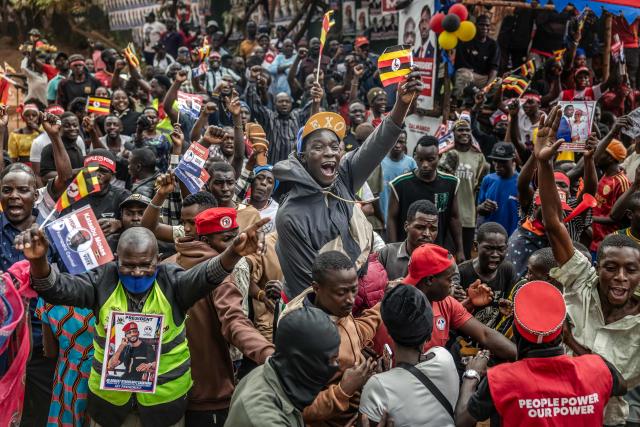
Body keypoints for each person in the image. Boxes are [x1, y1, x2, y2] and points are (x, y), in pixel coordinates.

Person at [15, 215, 268, 427]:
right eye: (129, 265)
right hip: (111, 408)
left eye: (145, 265)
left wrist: (232, 254)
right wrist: (38, 261)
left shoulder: (173, 283)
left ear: (158, 260)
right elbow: (58, 288)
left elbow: (205, 276)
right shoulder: (103, 281)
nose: (137, 272)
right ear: (116, 259)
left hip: (163, 408)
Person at [274, 70, 421, 300]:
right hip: (315, 311)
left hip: (352, 300)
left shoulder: (343, 177)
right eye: (318, 147)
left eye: (334, 146)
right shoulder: (290, 215)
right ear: (303, 156)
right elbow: (309, 289)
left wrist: (401, 105)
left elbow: (376, 145)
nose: (330, 153)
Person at [535, 106, 640, 426]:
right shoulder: (582, 279)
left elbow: (618, 384)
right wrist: (543, 162)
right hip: (557, 414)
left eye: (630, 270)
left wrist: (571, 343)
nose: (619, 278)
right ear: (598, 265)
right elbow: (553, 223)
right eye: (610, 267)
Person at [454, 280, 627, 427]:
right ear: (562, 332)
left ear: (516, 330)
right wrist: (571, 340)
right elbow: (621, 386)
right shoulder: (596, 369)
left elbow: (463, 420)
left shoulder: (500, 379)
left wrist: (472, 375)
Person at [280, 251, 382, 425]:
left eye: (354, 290)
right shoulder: (303, 336)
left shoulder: (338, 310)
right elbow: (300, 410)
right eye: (341, 293)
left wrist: (385, 304)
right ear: (317, 288)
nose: (351, 300)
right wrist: (344, 389)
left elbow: (357, 331)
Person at [374, 243, 517, 361]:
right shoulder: (391, 308)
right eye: (449, 279)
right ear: (430, 280)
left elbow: (485, 334)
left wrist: (522, 358)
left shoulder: (446, 303)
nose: (452, 285)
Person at [360, 285, 459, 427]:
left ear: (388, 331)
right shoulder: (445, 358)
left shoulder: (377, 387)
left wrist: (383, 380)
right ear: (429, 335)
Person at [225, 306, 340, 426]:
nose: (336, 366)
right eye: (331, 359)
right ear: (305, 362)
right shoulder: (264, 418)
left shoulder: (272, 375)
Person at [387, 135, 463, 258]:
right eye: (420, 159)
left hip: (437, 250)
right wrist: (393, 250)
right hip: (407, 253)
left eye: (430, 159)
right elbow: (392, 219)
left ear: (439, 157)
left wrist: (460, 249)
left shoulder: (450, 183)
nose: (425, 165)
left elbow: (454, 218)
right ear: (415, 157)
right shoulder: (400, 184)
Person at [378, 199, 461, 287]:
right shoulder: (386, 254)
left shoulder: (446, 259)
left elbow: (454, 291)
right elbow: (371, 287)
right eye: (420, 227)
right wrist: (388, 286)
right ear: (406, 226)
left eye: (433, 229)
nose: (427, 234)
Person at [440, 120, 487, 259]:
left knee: (465, 256)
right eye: (460, 130)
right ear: (453, 133)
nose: (464, 133)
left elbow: (479, 188)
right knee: (446, 255)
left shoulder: (478, 157)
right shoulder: (447, 154)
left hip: (468, 216)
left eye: (467, 130)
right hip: (448, 215)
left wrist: (478, 208)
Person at [457, 222, 517, 329]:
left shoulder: (507, 270)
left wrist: (508, 307)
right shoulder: (461, 272)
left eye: (500, 249)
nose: (495, 254)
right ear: (476, 246)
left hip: (494, 335)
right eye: (489, 248)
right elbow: (452, 313)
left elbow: (509, 306)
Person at [477, 142, 520, 236]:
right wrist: (484, 207)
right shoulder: (488, 180)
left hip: (513, 240)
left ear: (513, 159)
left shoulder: (522, 183)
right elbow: (478, 209)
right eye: (495, 161)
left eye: (503, 161)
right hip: (490, 238)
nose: (497, 165)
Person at [454, 15, 499, 98]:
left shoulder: (493, 44)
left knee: (498, 82)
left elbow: (494, 69)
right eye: (481, 25)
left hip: (483, 78)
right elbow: (460, 66)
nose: (485, 27)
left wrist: (487, 87)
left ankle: (483, 101)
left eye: (487, 25)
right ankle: (457, 100)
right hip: (468, 74)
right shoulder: (466, 40)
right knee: (465, 76)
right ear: (475, 26)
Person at [380, 130, 416, 223]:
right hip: (381, 215)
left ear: (405, 143)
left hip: (402, 216)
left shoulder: (411, 163)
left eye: (401, 142)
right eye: (395, 141)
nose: (397, 145)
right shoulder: (380, 161)